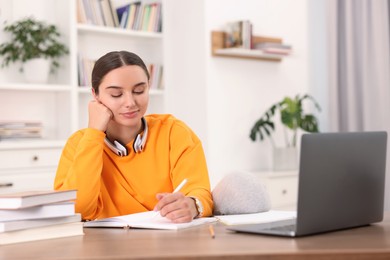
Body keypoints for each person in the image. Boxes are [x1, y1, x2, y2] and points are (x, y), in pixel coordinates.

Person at [54, 51, 213, 223]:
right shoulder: (79, 143)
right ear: (96, 95)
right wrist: (94, 133)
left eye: (139, 90)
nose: (130, 102)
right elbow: (77, 210)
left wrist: (192, 205)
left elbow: (200, 192)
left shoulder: (174, 132)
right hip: (105, 247)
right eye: (116, 94)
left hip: (167, 243)